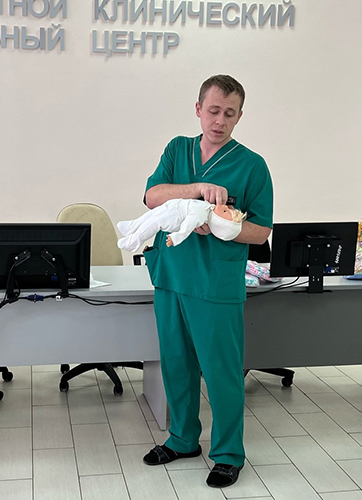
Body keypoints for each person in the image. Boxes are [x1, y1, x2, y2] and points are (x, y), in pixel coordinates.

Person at [141, 74, 273, 488]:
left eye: (229, 113)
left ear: (239, 116)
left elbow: (261, 231)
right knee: (176, 365)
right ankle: (182, 440)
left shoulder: (251, 166)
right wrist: (196, 190)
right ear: (198, 109)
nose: (220, 121)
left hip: (215, 283)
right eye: (213, 111)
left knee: (221, 372)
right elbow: (152, 196)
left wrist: (223, 225)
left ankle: (229, 453)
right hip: (171, 275)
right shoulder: (177, 150)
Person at [117, 199, 245, 252]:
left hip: (173, 216)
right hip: (172, 206)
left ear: (218, 221)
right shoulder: (209, 208)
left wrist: (176, 237)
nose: (225, 206)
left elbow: (187, 227)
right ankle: (131, 227)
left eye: (224, 211)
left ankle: (132, 243)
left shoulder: (201, 215)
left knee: (151, 224)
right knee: (149, 216)